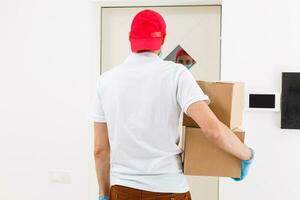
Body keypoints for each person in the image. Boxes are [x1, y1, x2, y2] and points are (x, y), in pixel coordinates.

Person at [90, 9, 254, 200]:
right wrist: (246, 155)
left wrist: (103, 194)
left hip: (123, 190)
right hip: (168, 190)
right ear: (163, 39)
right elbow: (212, 130)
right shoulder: (176, 74)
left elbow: (100, 150)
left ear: (130, 38)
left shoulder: (106, 81)